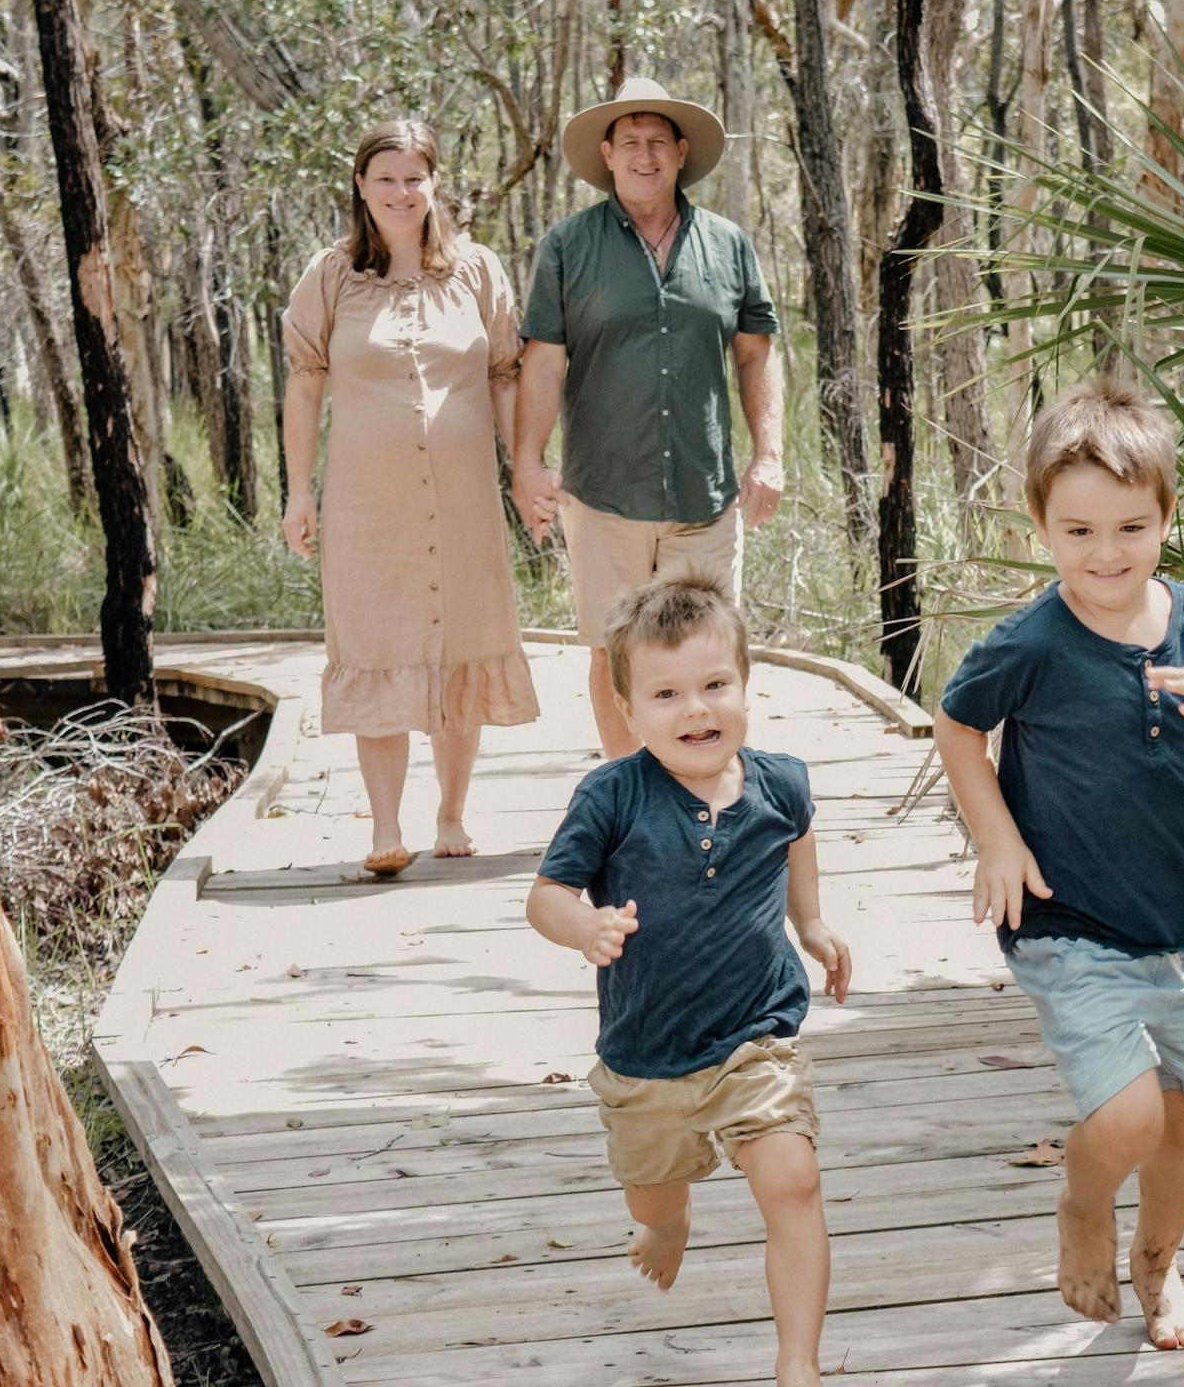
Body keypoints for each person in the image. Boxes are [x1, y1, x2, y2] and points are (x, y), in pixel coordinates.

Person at [933, 382, 1184, 1350]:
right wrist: (997, 838)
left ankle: (1158, 1267)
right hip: (1066, 923)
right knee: (1131, 1114)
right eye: (1078, 531)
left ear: (1166, 518)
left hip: (1176, 927)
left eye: (1129, 528)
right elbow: (957, 721)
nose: (1105, 554)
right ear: (1039, 526)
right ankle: (1081, 1201)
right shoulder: (1032, 641)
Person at [525, 577, 850, 1387]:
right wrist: (584, 928)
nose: (695, 710)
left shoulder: (781, 781)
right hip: (647, 1053)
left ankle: (798, 1364)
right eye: (666, 694)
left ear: (745, 684)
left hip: (755, 1039)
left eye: (714, 686)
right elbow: (546, 895)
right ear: (629, 710)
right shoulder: (613, 796)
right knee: (652, 1196)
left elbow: (797, 837)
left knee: (793, 1179)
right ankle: (668, 1226)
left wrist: (808, 924)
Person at [281, 120, 540, 875]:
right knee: (376, 647)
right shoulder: (330, 276)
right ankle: (385, 827)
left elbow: (503, 375)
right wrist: (301, 494)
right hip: (367, 506)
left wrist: (526, 470)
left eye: (414, 178)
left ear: (435, 186)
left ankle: (452, 815)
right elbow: (304, 385)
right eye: (386, 178)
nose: (401, 192)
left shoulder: (476, 271)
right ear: (361, 186)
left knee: (461, 642)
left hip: (463, 500)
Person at [509, 77, 784, 760]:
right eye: (629, 142)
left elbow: (755, 355)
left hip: (705, 490)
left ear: (681, 151)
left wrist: (768, 453)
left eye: (657, 142)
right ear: (606, 154)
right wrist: (527, 462)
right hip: (604, 490)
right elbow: (542, 362)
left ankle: (710, 792)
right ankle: (630, 796)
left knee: (711, 648)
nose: (644, 155)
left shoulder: (727, 245)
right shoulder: (569, 247)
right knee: (614, 655)